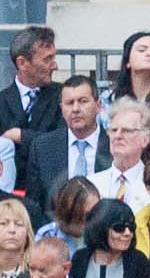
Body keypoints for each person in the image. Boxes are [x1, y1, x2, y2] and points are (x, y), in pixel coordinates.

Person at [26, 76, 109, 210]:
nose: (75, 109)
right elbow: (34, 205)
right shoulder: (43, 147)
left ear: (98, 105)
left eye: (83, 101)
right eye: (69, 103)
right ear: (61, 109)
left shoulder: (114, 145)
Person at [71, 199, 148, 278]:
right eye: (119, 228)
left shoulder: (138, 261)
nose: (128, 233)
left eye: (131, 227)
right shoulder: (79, 259)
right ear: (100, 228)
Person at [90, 100, 150, 209]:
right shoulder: (92, 184)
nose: (117, 136)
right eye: (113, 130)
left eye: (126, 131)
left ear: (145, 139)